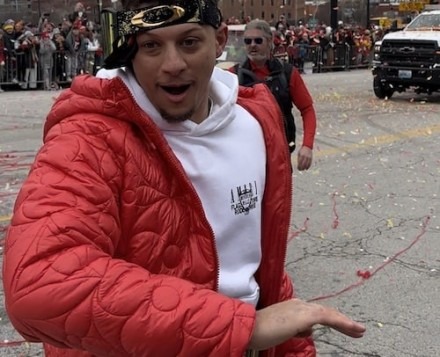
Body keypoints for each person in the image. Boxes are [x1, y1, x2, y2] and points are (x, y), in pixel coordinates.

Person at [2, 1, 365, 356]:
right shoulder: (89, 137)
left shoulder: (256, 120)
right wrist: (243, 328)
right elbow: (38, 281)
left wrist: (292, 346)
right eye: (151, 46)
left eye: (189, 42)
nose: (173, 65)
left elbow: (254, 263)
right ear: (130, 51)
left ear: (220, 40)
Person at [230, 19, 317, 171]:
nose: (252, 45)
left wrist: (307, 146)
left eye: (258, 40)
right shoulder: (233, 75)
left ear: (270, 42)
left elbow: (307, 109)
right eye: (248, 41)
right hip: (244, 156)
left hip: (280, 156)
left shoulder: (287, 73)